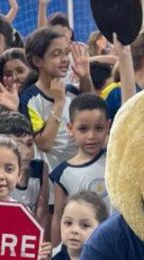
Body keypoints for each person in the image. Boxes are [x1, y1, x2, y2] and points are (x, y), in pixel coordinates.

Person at [20, 28, 93, 177]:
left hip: (79, 175)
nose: (65, 59)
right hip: (51, 181)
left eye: (66, 53)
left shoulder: (72, 91)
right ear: (37, 61)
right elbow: (44, 143)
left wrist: (85, 77)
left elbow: (89, 107)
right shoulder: (30, 99)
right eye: (56, 54)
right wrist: (59, 103)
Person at [50, 94, 111, 245]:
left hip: (115, 245)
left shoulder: (115, 160)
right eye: (83, 129)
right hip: (83, 250)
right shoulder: (62, 174)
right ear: (70, 128)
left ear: (108, 127)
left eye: (98, 128)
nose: (91, 136)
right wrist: (54, 251)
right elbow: (58, 216)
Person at [0, 112, 51, 231]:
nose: (27, 152)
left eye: (29, 144)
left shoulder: (40, 169)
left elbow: (42, 217)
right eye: (18, 145)